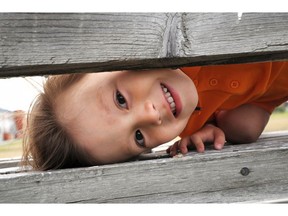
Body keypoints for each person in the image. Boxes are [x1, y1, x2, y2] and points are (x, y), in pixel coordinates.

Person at [22, 61, 288, 170]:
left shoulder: (179, 24)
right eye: (139, 137)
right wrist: (222, 127)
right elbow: (254, 119)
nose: (150, 116)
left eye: (120, 99)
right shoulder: (196, 120)